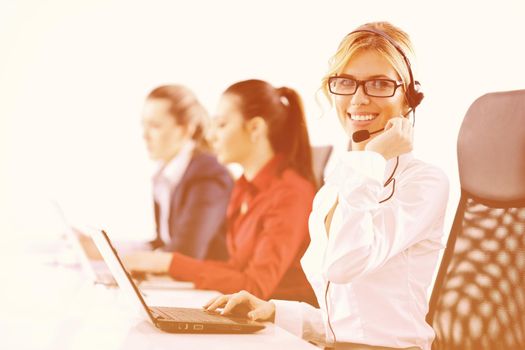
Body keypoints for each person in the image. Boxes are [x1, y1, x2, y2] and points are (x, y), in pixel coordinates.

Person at [204, 22, 449, 350]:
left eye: (379, 84)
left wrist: (370, 158)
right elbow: (352, 320)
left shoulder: (424, 183)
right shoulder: (341, 182)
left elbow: (345, 263)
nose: (359, 99)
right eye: (346, 83)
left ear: (409, 99)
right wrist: (276, 311)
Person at [125, 79, 317, 305]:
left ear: (255, 128)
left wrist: (168, 263)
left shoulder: (290, 193)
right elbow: (235, 268)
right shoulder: (244, 187)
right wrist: (164, 263)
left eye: (222, 125)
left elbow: (255, 287)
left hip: (284, 329)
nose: (211, 136)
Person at [142, 85, 232, 260]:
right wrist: (103, 250)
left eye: (154, 126)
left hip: (210, 285)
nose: (144, 135)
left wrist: (125, 262)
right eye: (143, 125)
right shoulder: (164, 177)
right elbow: (164, 244)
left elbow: (186, 252)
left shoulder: (209, 175)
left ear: (185, 129)